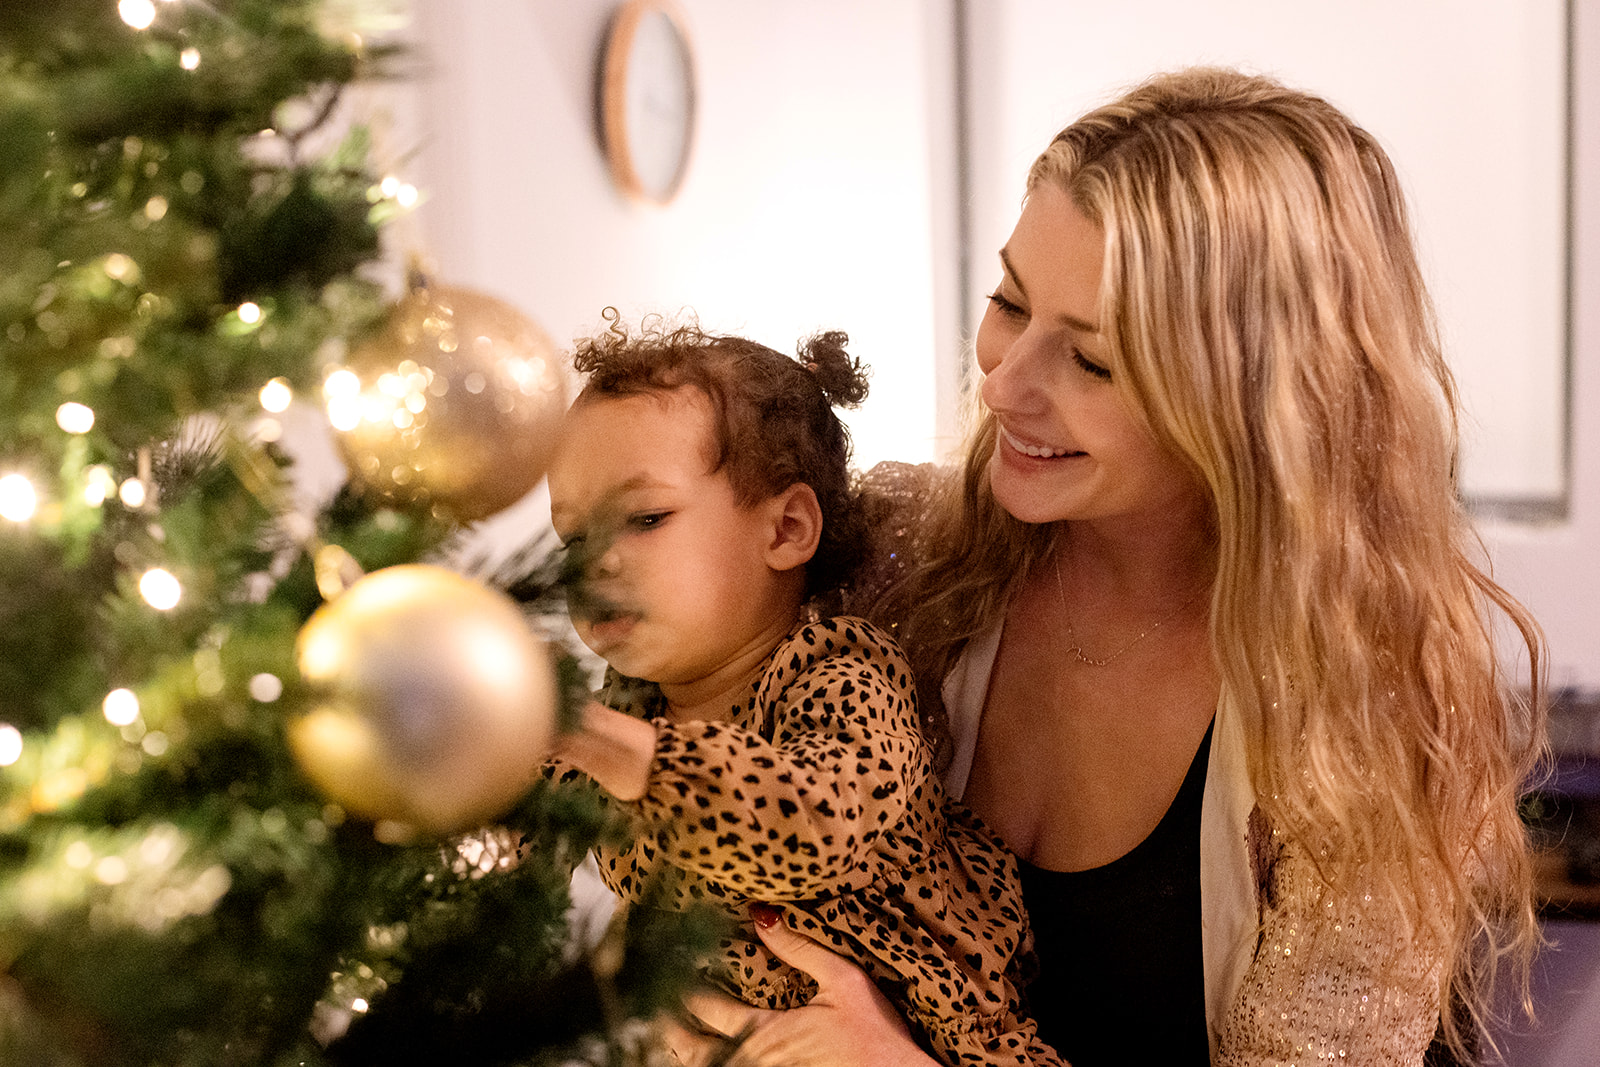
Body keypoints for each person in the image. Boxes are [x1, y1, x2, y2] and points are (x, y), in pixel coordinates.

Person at [664, 67, 1549, 1067]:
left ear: (1256, 401)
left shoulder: (1363, 710)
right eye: (1008, 299)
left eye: (1092, 361)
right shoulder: (893, 556)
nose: (1002, 384)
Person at [543, 316, 1064, 1066]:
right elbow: (515, 829)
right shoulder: (627, 701)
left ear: (786, 528)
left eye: (645, 517)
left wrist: (595, 738)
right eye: (571, 537)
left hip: (940, 1042)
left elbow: (808, 824)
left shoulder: (845, 673)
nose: (595, 563)